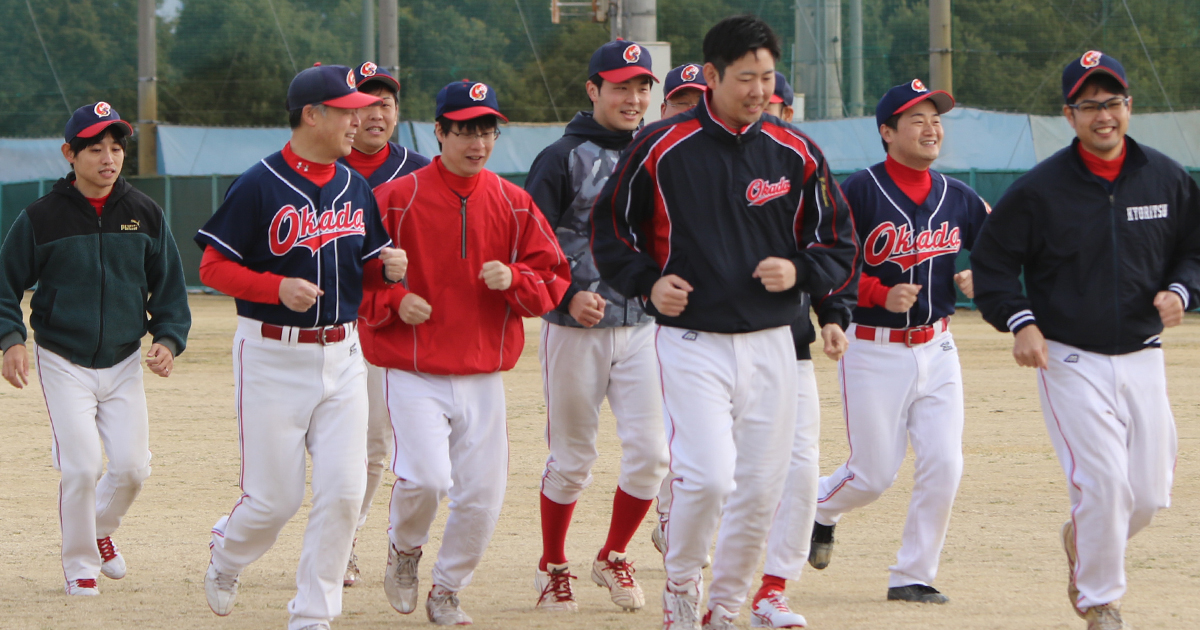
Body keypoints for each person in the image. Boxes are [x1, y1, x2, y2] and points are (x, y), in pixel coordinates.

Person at [592, 15, 857, 630]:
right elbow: (611, 229)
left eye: (767, 77)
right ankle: (682, 587)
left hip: (773, 344)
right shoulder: (661, 145)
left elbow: (839, 240)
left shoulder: (795, 151)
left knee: (760, 492)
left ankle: (726, 610)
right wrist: (646, 282)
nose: (760, 90)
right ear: (712, 76)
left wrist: (800, 272)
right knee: (708, 477)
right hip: (691, 340)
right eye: (746, 78)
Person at [970, 51, 1200, 630]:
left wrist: (1182, 289)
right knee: (1103, 482)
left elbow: (1194, 251)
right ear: (1068, 114)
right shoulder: (1039, 189)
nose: (1104, 115)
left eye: (1113, 102)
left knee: (1147, 495)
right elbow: (994, 263)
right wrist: (1019, 321)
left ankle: (1081, 539)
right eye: (1090, 104)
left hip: (1144, 353)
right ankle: (1101, 602)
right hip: (1070, 356)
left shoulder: (1167, 177)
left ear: (1130, 106)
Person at [195, 64, 405, 630]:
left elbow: (366, 269)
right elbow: (212, 266)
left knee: (343, 491)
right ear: (313, 114)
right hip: (271, 356)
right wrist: (273, 287)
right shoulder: (259, 183)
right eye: (347, 109)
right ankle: (229, 553)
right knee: (274, 501)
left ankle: (314, 614)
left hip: (344, 353)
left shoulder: (354, 185)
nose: (360, 118)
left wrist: (389, 270)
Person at [362, 80, 570, 626]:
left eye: (486, 129)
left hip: (482, 373)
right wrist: (393, 299)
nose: (477, 141)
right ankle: (404, 551)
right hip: (412, 367)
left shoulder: (513, 201)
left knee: (482, 495)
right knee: (426, 479)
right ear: (439, 131)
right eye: (464, 129)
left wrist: (517, 277)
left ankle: (449, 587)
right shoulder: (395, 199)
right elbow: (350, 278)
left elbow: (553, 277)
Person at [0, 102, 191, 596]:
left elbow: (169, 287)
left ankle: (101, 528)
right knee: (81, 465)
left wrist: (168, 339)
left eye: (116, 147)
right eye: (94, 148)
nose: (109, 157)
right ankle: (80, 563)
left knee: (132, 467)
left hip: (125, 359)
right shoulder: (41, 217)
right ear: (69, 154)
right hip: (63, 358)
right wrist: (11, 340)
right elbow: (4, 284)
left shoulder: (145, 213)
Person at [808, 79, 986, 605]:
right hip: (872, 347)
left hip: (939, 348)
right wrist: (876, 292)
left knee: (945, 462)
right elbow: (829, 263)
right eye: (916, 119)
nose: (931, 128)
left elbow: (1004, 246)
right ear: (887, 132)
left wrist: (987, 275)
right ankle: (818, 505)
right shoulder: (858, 191)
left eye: (936, 119)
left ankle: (913, 574)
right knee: (872, 475)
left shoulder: (959, 196)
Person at [523, 39, 668, 613]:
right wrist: (567, 293)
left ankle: (612, 554)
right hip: (575, 327)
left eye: (641, 87)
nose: (633, 98)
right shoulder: (561, 156)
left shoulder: (660, 150)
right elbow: (529, 242)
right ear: (593, 90)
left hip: (644, 327)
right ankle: (552, 563)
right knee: (573, 457)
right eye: (620, 86)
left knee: (653, 454)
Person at [338, 60, 430, 589]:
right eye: (366, 102)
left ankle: (347, 538)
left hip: (386, 320)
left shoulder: (418, 169)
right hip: (328, 318)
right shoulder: (324, 164)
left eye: (386, 102)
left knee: (375, 442)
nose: (376, 112)